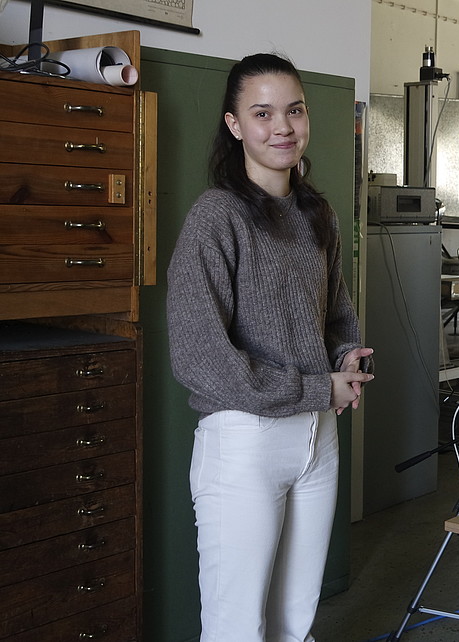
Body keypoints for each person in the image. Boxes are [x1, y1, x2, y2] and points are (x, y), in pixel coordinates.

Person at [166, 52, 373, 642]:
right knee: (237, 629)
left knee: (295, 618)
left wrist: (345, 359)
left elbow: (335, 316)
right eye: (262, 113)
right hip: (243, 444)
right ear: (235, 125)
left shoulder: (318, 214)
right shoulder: (217, 216)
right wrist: (317, 385)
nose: (282, 127)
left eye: (294, 111)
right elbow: (199, 355)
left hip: (316, 439)